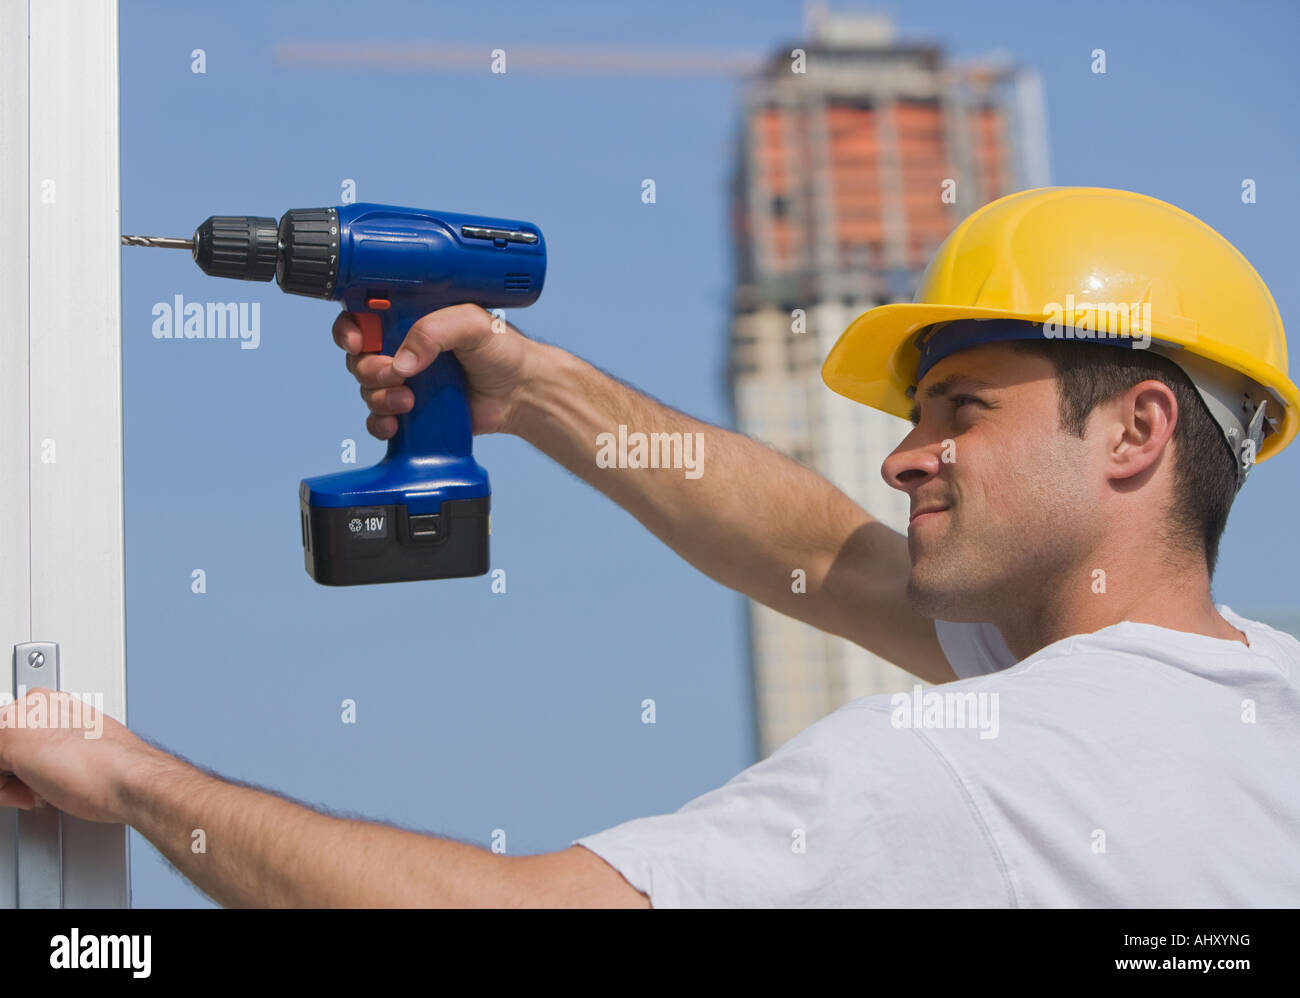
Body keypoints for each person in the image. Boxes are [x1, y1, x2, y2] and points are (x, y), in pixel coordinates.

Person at [2, 187, 1297, 907]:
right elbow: (819, 551)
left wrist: (127, 777)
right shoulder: (1259, 708)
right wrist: (531, 392)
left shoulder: (970, 775)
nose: (904, 458)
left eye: (960, 413)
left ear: (1136, 429)